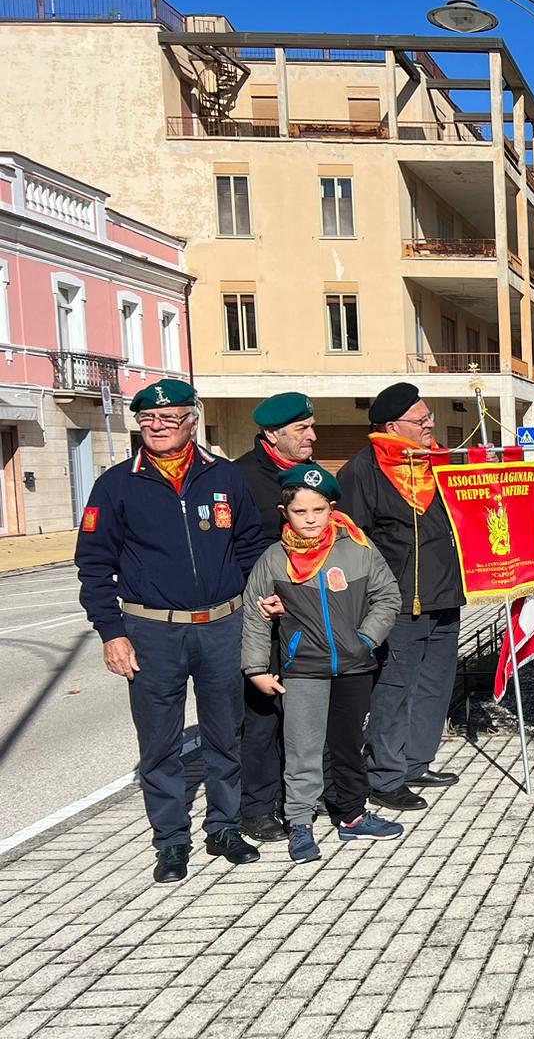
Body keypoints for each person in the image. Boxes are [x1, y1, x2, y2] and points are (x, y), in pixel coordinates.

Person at [75, 378, 267, 883]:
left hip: (222, 625)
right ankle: (171, 841)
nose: (157, 427)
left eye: (169, 419)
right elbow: (94, 567)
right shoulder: (116, 484)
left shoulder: (224, 477)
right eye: (148, 420)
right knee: (159, 742)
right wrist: (111, 633)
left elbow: (249, 548)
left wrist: (257, 606)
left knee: (226, 734)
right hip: (150, 632)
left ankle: (224, 826)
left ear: (192, 421)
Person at [241, 463, 405, 862]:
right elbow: (254, 613)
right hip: (304, 669)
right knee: (303, 749)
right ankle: (300, 822)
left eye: (318, 510)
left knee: (350, 744)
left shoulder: (359, 549)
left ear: (332, 508)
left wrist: (365, 639)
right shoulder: (274, 559)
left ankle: (352, 815)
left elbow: (389, 597)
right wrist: (257, 669)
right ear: (286, 514)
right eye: (300, 512)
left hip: (355, 666)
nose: (310, 520)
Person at [338, 382, 463, 813]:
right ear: (393, 426)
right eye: (421, 419)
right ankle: (385, 776)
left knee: (434, 684)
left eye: (429, 417)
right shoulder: (362, 471)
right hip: (397, 600)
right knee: (394, 688)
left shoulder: (438, 462)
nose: (431, 424)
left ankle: (416, 762)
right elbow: (353, 542)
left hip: (445, 592)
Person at [233, 391, 318, 843]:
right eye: (301, 429)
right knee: (263, 716)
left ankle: (301, 796)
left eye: (311, 427)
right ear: (272, 434)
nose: (312, 435)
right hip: (265, 615)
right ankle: (259, 807)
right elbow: (237, 549)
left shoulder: (312, 476)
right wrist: (262, 596)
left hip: (311, 617)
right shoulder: (241, 477)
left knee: (304, 710)